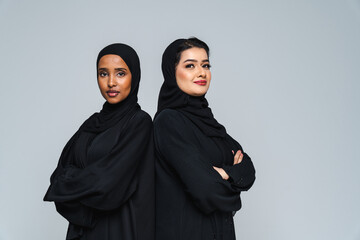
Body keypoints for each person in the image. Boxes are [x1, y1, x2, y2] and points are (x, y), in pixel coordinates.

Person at [44, 43, 154, 240]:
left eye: (120, 73)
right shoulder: (92, 123)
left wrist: (74, 181)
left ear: (134, 76)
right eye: (103, 74)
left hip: (122, 229)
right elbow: (57, 179)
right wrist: (87, 182)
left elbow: (108, 183)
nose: (111, 82)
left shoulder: (139, 123)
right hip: (82, 230)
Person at [154, 38, 256, 240]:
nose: (201, 73)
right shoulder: (169, 122)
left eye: (206, 65)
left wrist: (225, 173)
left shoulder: (208, 123)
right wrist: (234, 183)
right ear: (171, 72)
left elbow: (249, 170)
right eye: (190, 65)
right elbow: (206, 190)